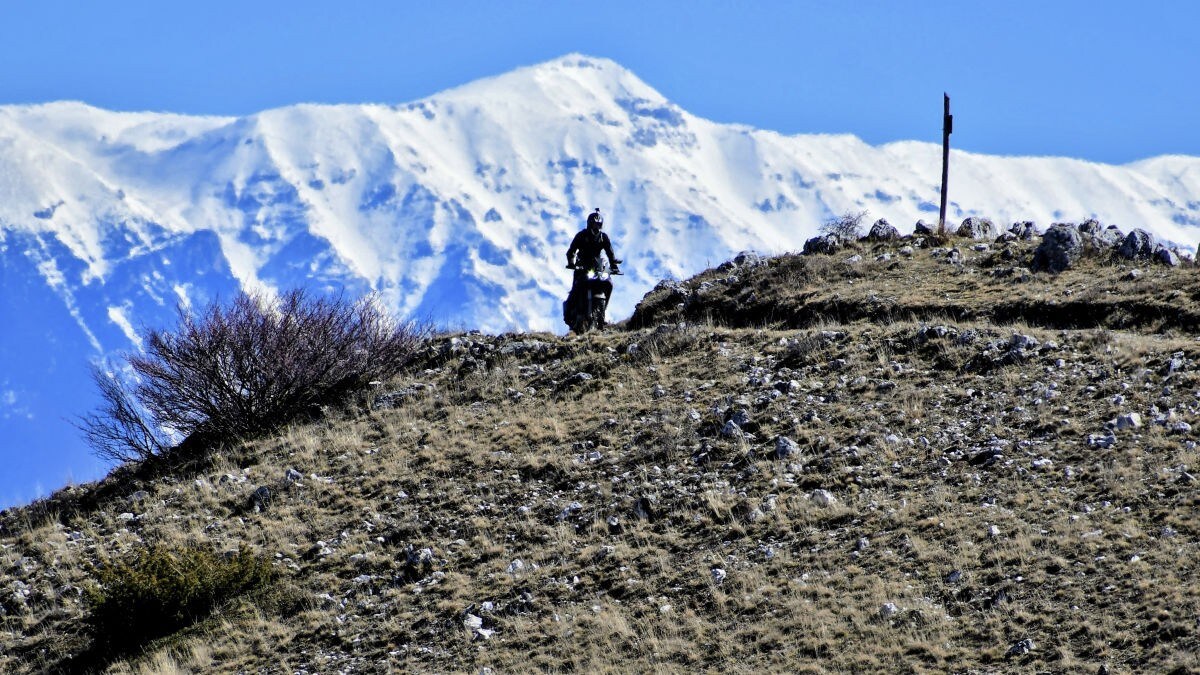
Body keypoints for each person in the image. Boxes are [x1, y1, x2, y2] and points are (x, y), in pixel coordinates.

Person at [565, 208, 622, 327]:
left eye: (598, 225)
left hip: (598, 268)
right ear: (589, 224)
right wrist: (571, 262)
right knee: (576, 287)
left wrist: (614, 266)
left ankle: (602, 312)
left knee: (609, 283)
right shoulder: (581, 236)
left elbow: (610, 253)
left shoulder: (603, 237)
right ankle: (569, 313)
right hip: (582, 267)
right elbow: (571, 251)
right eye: (593, 224)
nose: (596, 227)